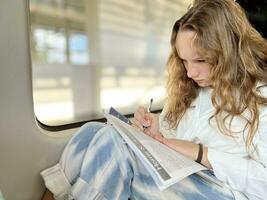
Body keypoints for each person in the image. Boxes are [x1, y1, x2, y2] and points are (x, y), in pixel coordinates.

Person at [41, 0, 267, 199]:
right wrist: (157, 131)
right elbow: (175, 142)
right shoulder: (193, 89)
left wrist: (202, 154)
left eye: (200, 60)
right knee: (92, 131)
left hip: (226, 191)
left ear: (228, 52)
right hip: (186, 173)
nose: (190, 73)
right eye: (184, 61)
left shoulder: (260, 98)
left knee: (116, 146)